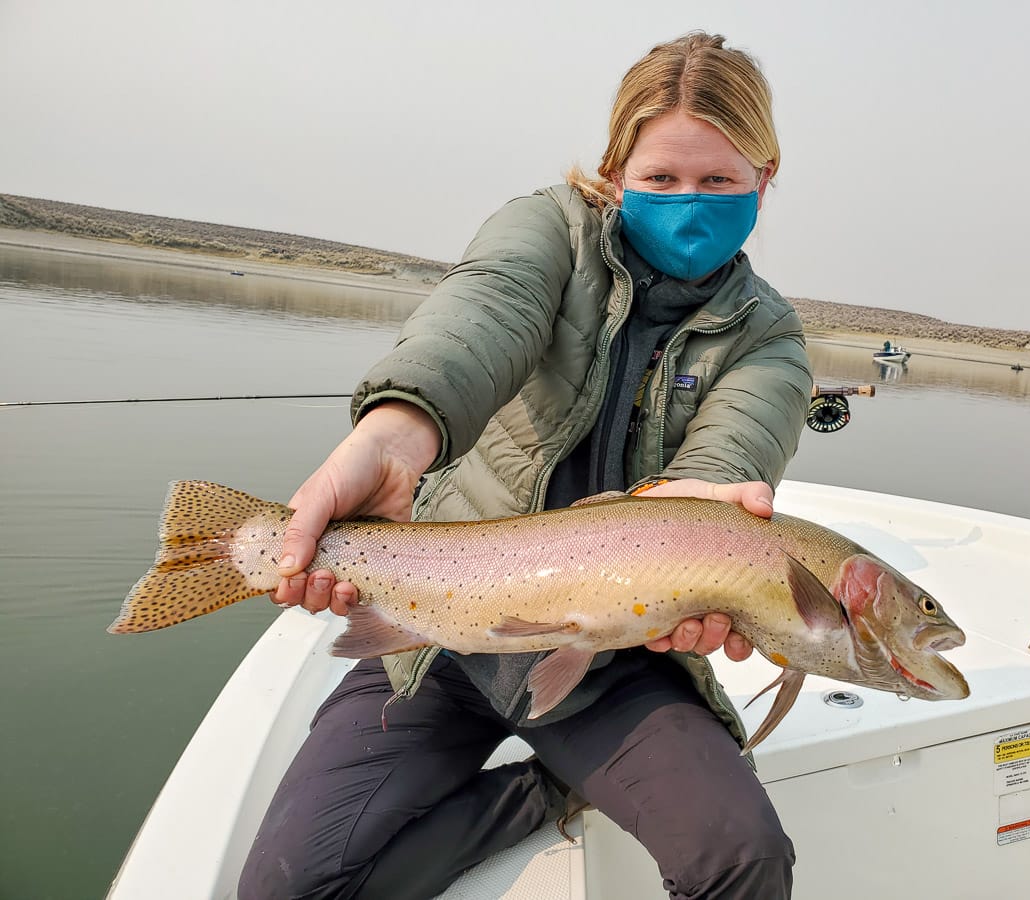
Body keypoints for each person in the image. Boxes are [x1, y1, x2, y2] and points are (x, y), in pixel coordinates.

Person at [239, 31, 813, 900]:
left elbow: (735, 447)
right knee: (289, 890)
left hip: (614, 657)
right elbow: (479, 320)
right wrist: (391, 436)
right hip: (439, 635)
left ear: (765, 178)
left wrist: (698, 529)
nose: (688, 202)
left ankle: (572, 764)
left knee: (745, 856)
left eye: (719, 180)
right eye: (661, 178)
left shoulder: (771, 337)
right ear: (617, 169)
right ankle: (544, 790)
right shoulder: (548, 231)